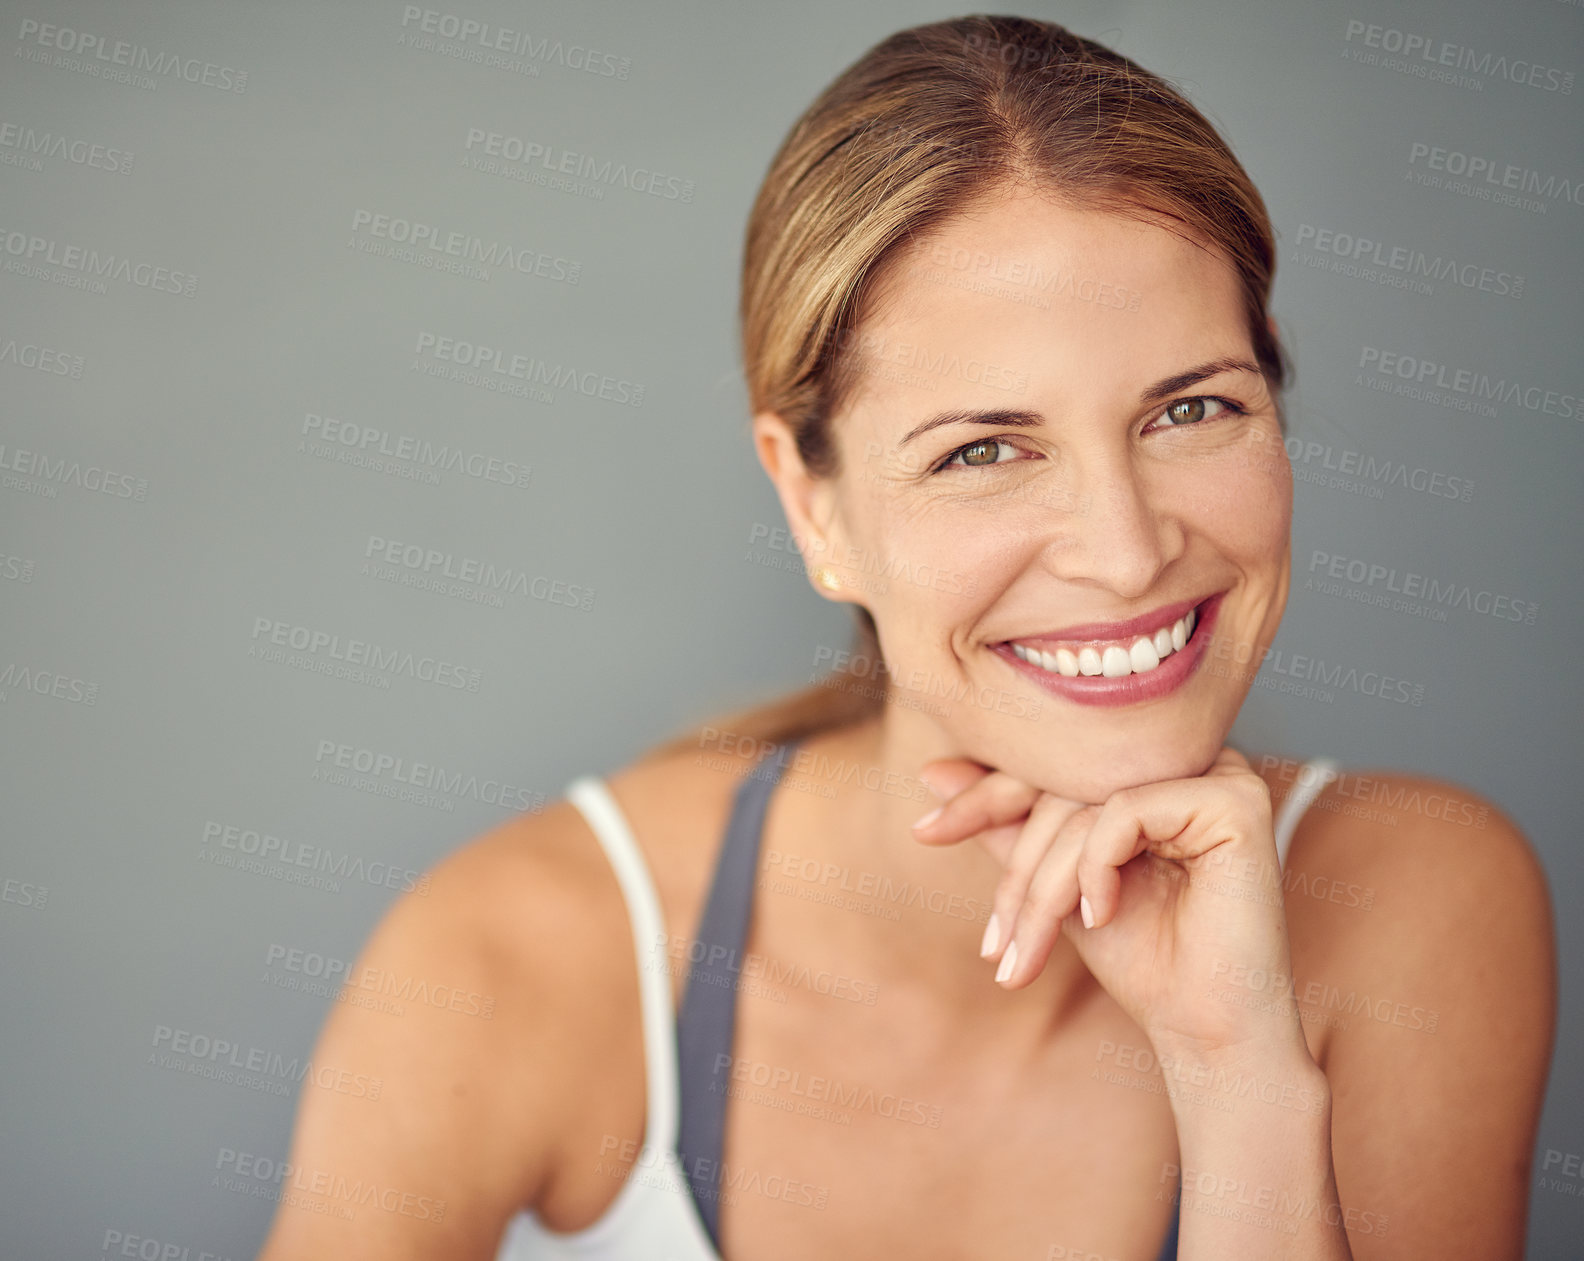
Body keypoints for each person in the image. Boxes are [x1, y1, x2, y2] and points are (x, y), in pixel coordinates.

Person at [257, 15, 1556, 1260]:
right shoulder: (515, 952)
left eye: (1191, 410)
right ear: (812, 501)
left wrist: (1237, 1079)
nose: (1125, 547)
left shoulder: (1417, 908)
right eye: (986, 449)